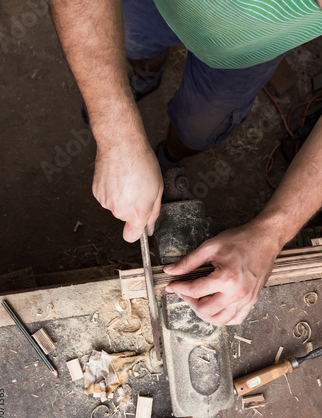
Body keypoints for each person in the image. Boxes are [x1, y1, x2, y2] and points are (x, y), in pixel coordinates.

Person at [49, 0, 322, 326]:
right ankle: (145, 75)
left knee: (198, 127)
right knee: (135, 43)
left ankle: (169, 156)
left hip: (247, 50)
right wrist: (114, 127)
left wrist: (272, 234)